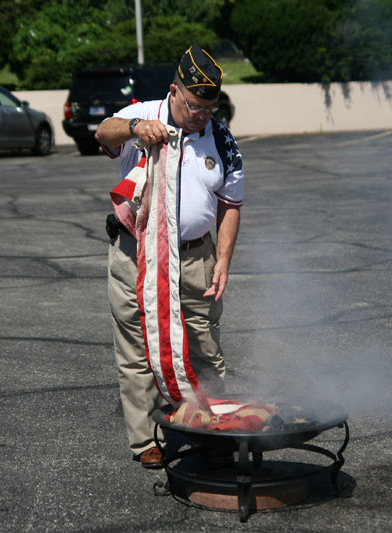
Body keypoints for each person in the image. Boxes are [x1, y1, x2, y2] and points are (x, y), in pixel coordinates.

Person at [96, 43, 244, 469]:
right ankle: (147, 441)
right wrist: (134, 128)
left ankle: (208, 430)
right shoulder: (144, 113)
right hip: (136, 254)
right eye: (195, 105)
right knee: (138, 349)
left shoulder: (222, 139)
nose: (202, 115)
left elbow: (231, 203)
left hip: (196, 258)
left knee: (204, 346)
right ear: (174, 91)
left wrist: (224, 260)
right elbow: (102, 132)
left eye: (209, 107)